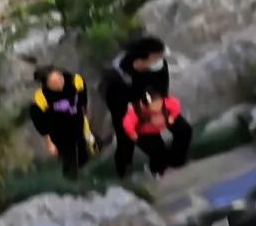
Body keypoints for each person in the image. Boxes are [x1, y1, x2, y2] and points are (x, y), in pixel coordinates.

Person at [107, 35, 194, 179]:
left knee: (184, 130)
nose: (159, 60)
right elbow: (121, 109)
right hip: (135, 115)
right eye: (156, 57)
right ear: (141, 60)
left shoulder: (159, 66)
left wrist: (162, 113)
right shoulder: (119, 77)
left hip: (158, 107)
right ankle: (155, 169)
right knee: (155, 147)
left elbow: (163, 92)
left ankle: (176, 163)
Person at [29, 66, 94, 178]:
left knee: (85, 153)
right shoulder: (41, 97)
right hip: (59, 132)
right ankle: (70, 181)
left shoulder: (76, 80)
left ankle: (87, 177)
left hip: (78, 124)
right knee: (69, 160)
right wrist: (49, 143)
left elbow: (83, 99)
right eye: (54, 83)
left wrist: (86, 119)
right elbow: (40, 122)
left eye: (60, 78)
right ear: (47, 85)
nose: (59, 83)